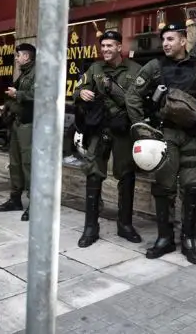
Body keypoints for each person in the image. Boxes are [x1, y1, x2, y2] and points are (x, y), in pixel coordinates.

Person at [126, 22, 196, 264]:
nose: (165, 43)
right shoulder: (154, 66)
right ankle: (165, 238)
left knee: (192, 190)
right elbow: (133, 96)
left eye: (170, 39)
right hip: (165, 138)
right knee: (164, 189)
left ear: (183, 41)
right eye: (164, 39)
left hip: (193, 136)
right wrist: (142, 127)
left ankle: (189, 240)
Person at [73, 30, 143, 247]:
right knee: (93, 173)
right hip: (99, 129)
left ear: (119, 47)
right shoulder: (94, 68)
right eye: (102, 46)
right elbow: (79, 88)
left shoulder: (135, 70)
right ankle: (91, 228)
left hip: (123, 130)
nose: (105, 50)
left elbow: (139, 100)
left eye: (110, 46)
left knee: (126, 175)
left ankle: (125, 225)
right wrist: (81, 92)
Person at [0, 43, 36, 221]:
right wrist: (6, 105)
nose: (17, 58)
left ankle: (35, 205)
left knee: (28, 165)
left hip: (30, 125)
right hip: (18, 124)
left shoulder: (38, 72)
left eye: (18, 55)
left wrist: (17, 94)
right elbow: (17, 98)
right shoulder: (25, 73)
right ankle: (15, 199)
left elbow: (39, 96)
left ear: (26, 56)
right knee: (15, 164)